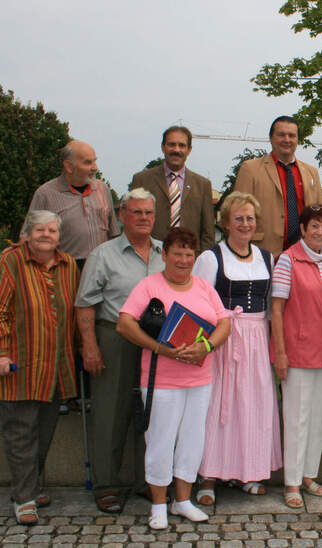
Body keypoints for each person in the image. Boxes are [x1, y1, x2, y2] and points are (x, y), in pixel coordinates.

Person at [117, 227, 231, 529]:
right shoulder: (149, 285)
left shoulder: (204, 287)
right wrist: (160, 349)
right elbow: (124, 324)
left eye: (188, 254)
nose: (183, 260)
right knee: (160, 441)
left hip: (200, 377)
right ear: (164, 255)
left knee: (192, 441)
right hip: (162, 380)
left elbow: (224, 323)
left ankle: (182, 501)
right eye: (177, 253)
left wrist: (206, 346)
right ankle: (158, 504)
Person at [75, 189, 165, 513]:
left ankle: (146, 482)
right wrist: (90, 346)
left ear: (155, 217)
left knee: (151, 414)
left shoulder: (163, 253)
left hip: (154, 345)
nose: (142, 218)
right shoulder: (103, 254)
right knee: (110, 414)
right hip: (113, 338)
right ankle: (107, 485)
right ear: (122, 215)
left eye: (148, 213)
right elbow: (85, 304)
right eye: (136, 212)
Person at [191, 192, 281, 505]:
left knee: (254, 405)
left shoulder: (267, 258)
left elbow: (272, 307)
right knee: (218, 405)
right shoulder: (210, 258)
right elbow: (199, 304)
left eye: (250, 219)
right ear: (226, 222)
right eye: (239, 218)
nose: (245, 224)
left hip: (256, 339)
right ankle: (209, 475)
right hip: (223, 340)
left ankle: (249, 472)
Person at [0, 211, 79, 525]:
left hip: (56, 367)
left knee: (44, 432)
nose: (46, 235)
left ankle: (31, 485)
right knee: (21, 434)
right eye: (39, 229)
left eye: (51, 230)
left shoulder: (67, 264)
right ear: (27, 233)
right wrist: (2, 352)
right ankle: (23, 498)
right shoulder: (10, 261)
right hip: (21, 365)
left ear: (59, 235)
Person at [271, 205, 322, 509]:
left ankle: (310, 475)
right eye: (315, 226)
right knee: (296, 418)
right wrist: (281, 354)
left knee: (318, 417)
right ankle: (292, 481)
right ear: (302, 229)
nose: (320, 232)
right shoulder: (288, 260)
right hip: (298, 352)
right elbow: (276, 309)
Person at [233, 115, 322, 257]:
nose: (287, 140)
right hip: (261, 254)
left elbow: (319, 217)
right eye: (281, 135)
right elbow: (236, 214)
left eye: (291, 136)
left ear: (297, 140)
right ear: (271, 138)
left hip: (303, 255)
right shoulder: (250, 169)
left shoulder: (312, 173)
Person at [27, 141, 120, 269]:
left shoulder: (102, 189)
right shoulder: (45, 194)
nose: (95, 167)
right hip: (64, 269)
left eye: (95, 161)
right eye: (88, 162)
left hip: (101, 267)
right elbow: (27, 237)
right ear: (69, 166)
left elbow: (113, 233)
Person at [130, 126, 215, 254]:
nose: (176, 150)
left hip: (188, 260)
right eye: (171, 145)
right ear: (163, 147)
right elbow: (132, 223)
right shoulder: (142, 180)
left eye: (182, 145)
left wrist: (200, 261)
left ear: (189, 150)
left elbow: (208, 233)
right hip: (150, 257)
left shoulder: (203, 185)